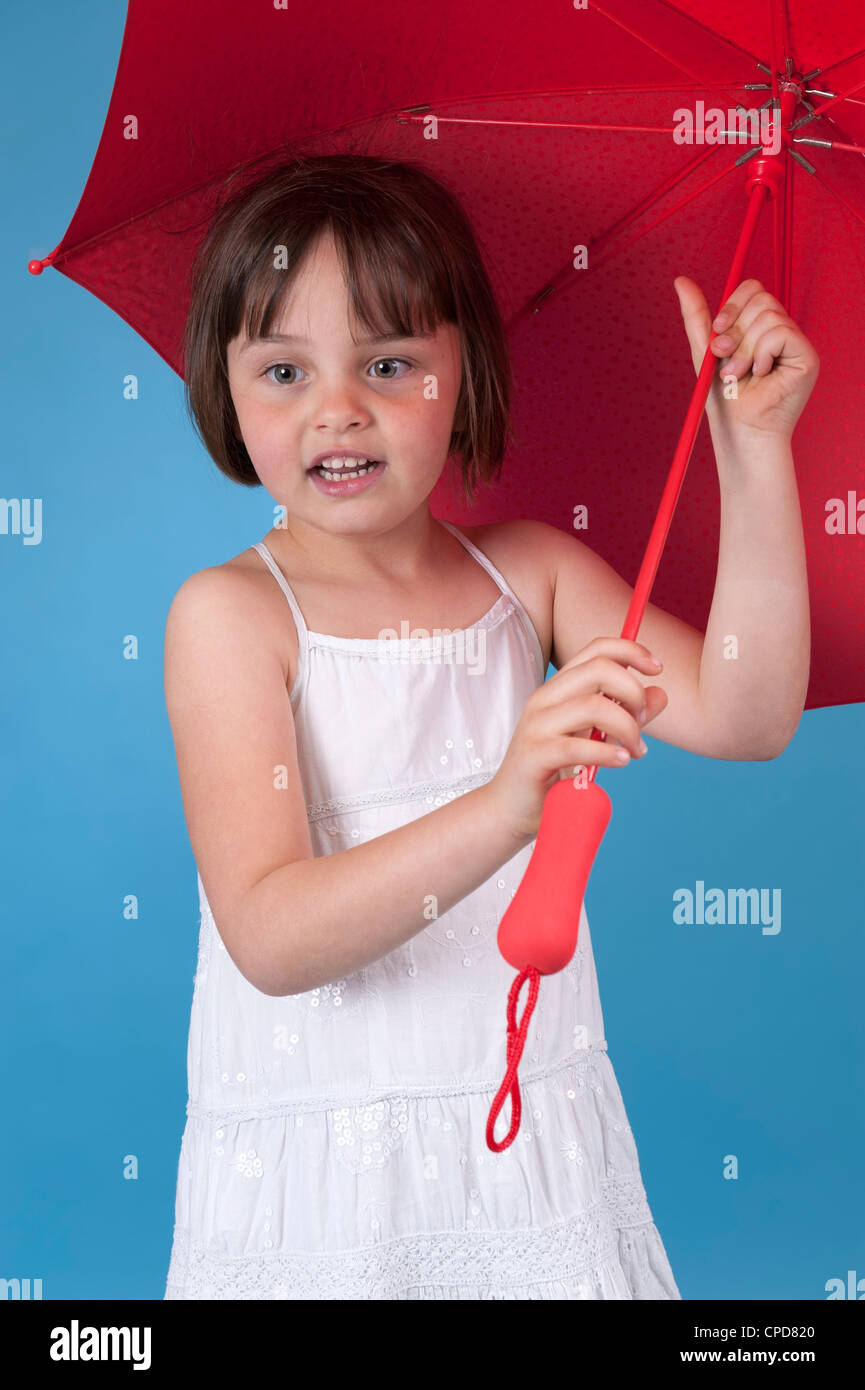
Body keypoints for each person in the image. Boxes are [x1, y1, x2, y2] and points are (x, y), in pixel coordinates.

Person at [162, 152, 817, 1299]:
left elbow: (748, 712)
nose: (338, 409)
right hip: (332, 1173)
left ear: (465, 368)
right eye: (282, 369)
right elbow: (268, 933)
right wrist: (507, 803)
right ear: (223, 387)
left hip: (524, 1151)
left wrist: (752, 454)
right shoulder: (230, 616)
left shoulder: (532, 575)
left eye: (390, 361)